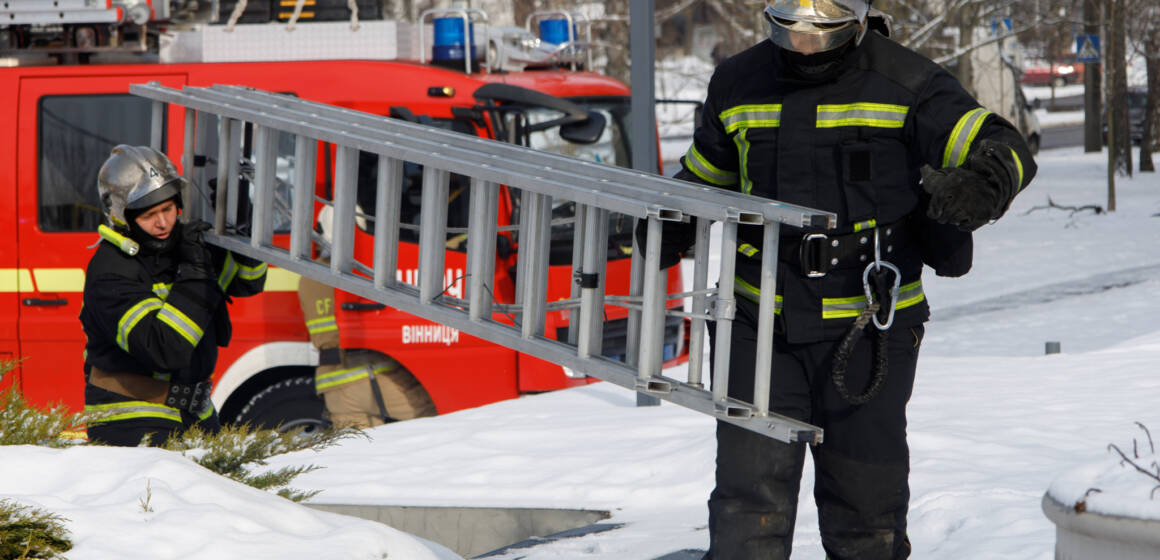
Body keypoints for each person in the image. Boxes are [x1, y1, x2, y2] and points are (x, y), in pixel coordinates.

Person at [657, 1, 1037, 558]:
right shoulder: (737, 81)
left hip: (868, 331)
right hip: (759, 328)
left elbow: (1005, 145)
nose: (804, 47)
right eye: (790, 33)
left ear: (857, 22)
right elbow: (706, 178)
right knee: (746, 506)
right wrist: (667, 224)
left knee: (866, 514)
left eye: (822, 34)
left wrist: (984, 182)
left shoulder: (908, 82)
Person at [80, 145, 267, 446]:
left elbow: (248, 282)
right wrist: (195, 271)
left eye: (168, 209)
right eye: (150, 215)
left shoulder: (182, 245)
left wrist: (242, 223)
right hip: (132, 416)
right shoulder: (111, 271)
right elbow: (164, 349)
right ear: (121, 216)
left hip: (194, 410)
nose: (163, 223)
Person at [296, 206, 436, 429]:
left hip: (335, 384)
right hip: (380, 375)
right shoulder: (367, 272)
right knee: (435, 425)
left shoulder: (307, 279)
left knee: (360, 456)